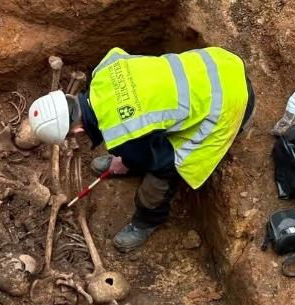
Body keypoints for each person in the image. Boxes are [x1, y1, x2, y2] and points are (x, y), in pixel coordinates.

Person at [28, 47, 255, 251]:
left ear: (76, 131)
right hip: (219, 64)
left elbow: (159, 159)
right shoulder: (104, 68)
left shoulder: (122, 134)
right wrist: (127, 155)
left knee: (165, 167)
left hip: (230, 103)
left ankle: (147, 221)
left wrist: (130, 159)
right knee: (142, 141)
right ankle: (132, 158)